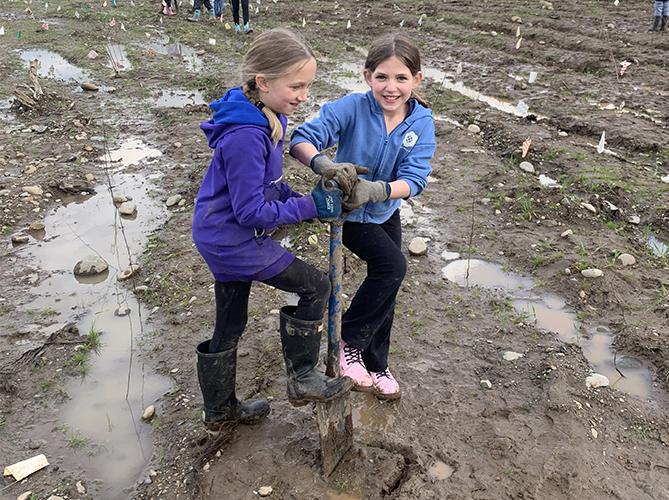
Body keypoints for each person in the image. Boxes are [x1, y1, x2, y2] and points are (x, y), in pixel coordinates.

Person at [192, 28, 353, 435]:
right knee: (317, 286)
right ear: (263, 82)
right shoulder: (248, 134)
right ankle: (303, 378)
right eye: (295, 86)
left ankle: (220, 410)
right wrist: (309, 207)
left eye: (308, 86)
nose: (303, 95)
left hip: (217, 233)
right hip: (233, 239)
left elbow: (269, 185)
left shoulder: (266, 116)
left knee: (231, 322)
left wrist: (306, 197)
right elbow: (251, 212)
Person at [290, 32, 436, 401]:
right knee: (392, 268)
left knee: (386, 288)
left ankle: (377, 362)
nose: (391, 88)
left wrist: (380, 190)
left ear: (417, 80)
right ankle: (349, 343)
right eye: (382, 77)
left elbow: (416, 178)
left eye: (401, 78)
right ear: (367, 75)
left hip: (385, 210)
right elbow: (302, 138)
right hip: (349, 213)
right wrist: (324, 164)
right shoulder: (352, 108)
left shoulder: (420, 123)